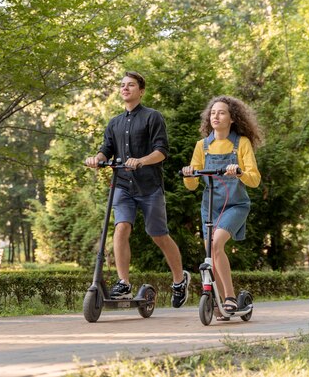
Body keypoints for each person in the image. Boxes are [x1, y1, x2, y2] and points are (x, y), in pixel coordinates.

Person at [85, 71, 190, 308]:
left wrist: (141, 160)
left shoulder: (153, 117)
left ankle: (179, 279)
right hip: (122, 185)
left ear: (141, 91)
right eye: (122, 85)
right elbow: (106, 149)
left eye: (130, 85)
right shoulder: (114, 123)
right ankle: (123, 282)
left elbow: (162, 151)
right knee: (121, 227)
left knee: (159, 235)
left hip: (149, 186)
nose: (125, 88)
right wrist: (97, 158)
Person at [181, 95, 262, 320]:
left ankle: (230, 297)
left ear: (232, 118)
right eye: (213, 113)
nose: (216, 116)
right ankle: (217, 297)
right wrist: (189, 174)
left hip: (235, 205)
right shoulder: (202, 146)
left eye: (222, 112)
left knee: (216, 243)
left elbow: (254, 179)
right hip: (210, 207)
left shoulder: (241, 143)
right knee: (212, 251)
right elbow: (192, 185)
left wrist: (240, 172)